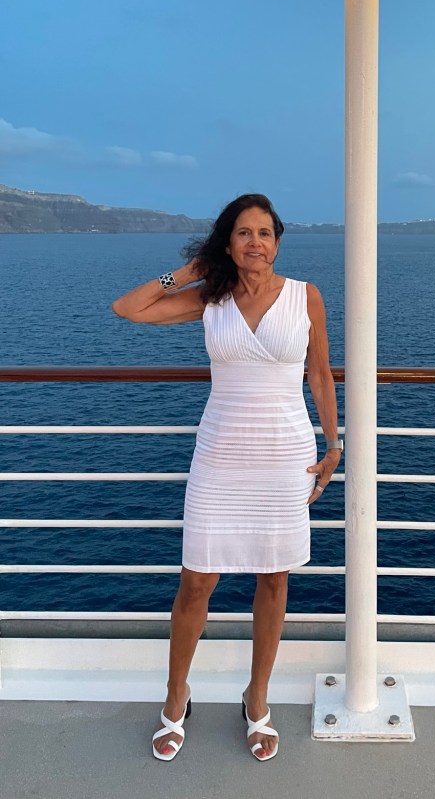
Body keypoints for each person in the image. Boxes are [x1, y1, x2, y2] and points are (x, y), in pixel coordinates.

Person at [111, 193, 340, 763]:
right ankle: (176, 698)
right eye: (243, 233)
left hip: (284, 454)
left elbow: (319, 375)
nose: (255, 242)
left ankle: (256, 699)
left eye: (264, 233)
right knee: (196, 579)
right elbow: (128, 308)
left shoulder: (306, 296)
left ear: (277, 242)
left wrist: (334, 445)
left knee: (274, 578)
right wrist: (188, 271)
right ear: (228, 243)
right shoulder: (209, 298)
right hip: (220, 456)